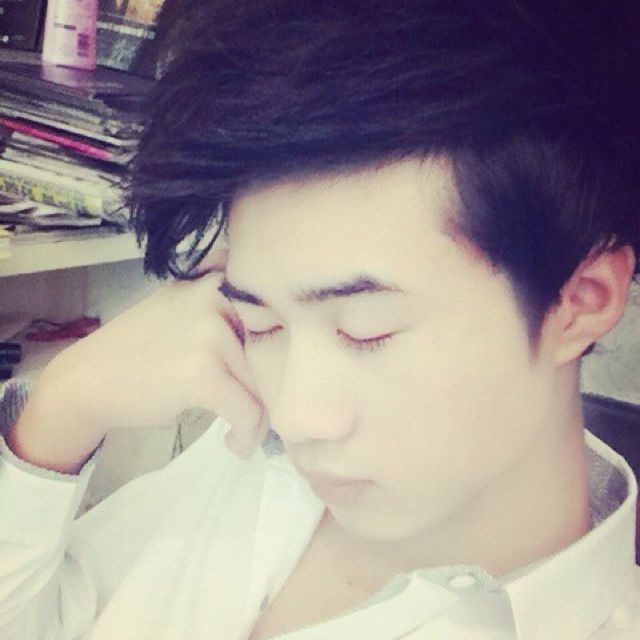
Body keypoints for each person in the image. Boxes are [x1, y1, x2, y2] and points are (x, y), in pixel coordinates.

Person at [2, 1, 640, 638]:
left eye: (366, 331)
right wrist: (63, 409)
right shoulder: (247, 462)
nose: (295, 417)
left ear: (580, 302)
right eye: (262, 324)